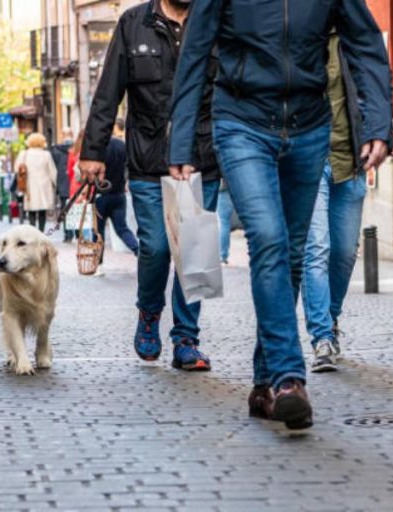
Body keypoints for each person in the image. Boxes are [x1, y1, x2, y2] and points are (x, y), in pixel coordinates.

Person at [168, 0, 393, 429]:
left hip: (310, 125)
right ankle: (289, 379)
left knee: (290, 253)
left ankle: (262, 384)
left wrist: (379, 122)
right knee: (269, 238)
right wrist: (181, 142)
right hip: (242, 122)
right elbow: (194, 53)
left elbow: (364, 42)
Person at [80, 0, 221, 372]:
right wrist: (92, 150)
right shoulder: (133, 23)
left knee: (193, 252)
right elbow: (109, 92)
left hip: (200, 156)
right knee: (156, 247)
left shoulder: (215, 17)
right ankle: (148, 314)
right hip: (148, 159)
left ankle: (186, 339)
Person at [302, 34, 393, 374]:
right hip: (308, 159)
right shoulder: (297, 32)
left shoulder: (353, 31)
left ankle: (330, 318)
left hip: (351, 158)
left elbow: (375, 84)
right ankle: (321, 336)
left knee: (345, 251)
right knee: (316, 247)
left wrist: (384, 131)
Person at [95, 120, 139, 273]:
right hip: (119, 194)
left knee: (98, 232)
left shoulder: (98, 148)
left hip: (100, 196)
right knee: (122, 228)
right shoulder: (121, 145)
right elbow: (129, 165)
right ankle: (137, 250)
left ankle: (98, 265)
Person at [15, 133, 59, 232]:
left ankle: (33, 231)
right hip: (44, 186)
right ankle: (41, 231)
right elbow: (52, 171)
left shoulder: (24, 154)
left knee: (31, 211)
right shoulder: (46, 154)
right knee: (42, 211)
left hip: (29, 186)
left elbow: (16, 169)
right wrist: (56, 184)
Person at [53, 128, 75, 242]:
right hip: (75, 183)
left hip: (63, 183)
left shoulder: (56, 151)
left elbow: (54, 169)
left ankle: (68, 235)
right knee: (77, 208)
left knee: (65, 209)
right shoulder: (77, 149)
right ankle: (77, 233)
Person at [216, 179, 234, 265]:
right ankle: (223, 256)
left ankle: (222, 255)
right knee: (225, 222)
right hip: (229, 185)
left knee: (223, 221)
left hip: (222, 186)